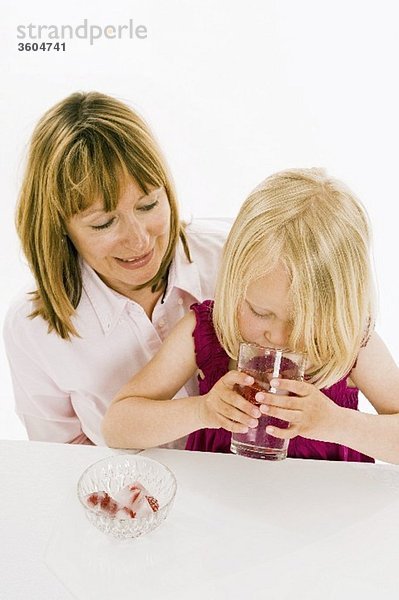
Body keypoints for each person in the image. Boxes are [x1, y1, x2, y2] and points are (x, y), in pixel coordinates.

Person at [103, 168, 399, 464]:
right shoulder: (208, 329)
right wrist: (202, 410)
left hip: (328, 508)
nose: (281, 338)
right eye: (260, 312)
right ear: (234, 287)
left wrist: (336, 423)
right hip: (217, 505)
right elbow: (117, 427)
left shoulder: (351, 345)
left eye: (306, 323)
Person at [3, 91, 231, 446]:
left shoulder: (230, 261)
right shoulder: (34, 328)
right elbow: (60, 456)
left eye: (148, 205)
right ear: (60, 226)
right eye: (104, 223)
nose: (139, 241)